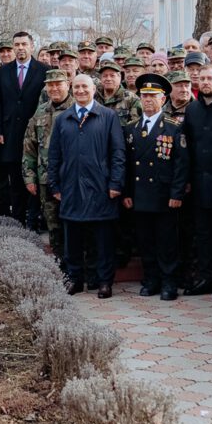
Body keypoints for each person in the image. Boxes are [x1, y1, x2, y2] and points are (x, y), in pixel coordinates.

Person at [49, 74, 125, 298]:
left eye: (85, 86)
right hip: (70, 188)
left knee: (103, 240)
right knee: (72, 240)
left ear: (94, 89)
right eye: (77, 87)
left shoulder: (108, 116)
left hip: (101, 188)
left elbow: (118, 153)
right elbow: (54, 155)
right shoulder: (62, 119)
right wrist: (55, 185)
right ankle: (75, 279)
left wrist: (115, 183)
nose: (81, 90)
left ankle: (104, 282)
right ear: (71, 89)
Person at [122, 74, 188, 299]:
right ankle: (151, 280)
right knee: (145, 241)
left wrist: (177, 193)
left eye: (153, 96)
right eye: (144, 96)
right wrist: (126, 192)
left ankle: (169, 282)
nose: (148, 100)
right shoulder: (131, 128)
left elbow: (181, 164)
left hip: (164, 195)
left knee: (167, 241)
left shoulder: (173, 128)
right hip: (140, 195)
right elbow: (127, 165)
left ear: (163, 99)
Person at [0, 32, 51, 224]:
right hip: (10, 134)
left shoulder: (44, 70)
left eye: (24, 44)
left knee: (34, 180)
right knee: (15, 179)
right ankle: (17, 220)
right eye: (17, 45)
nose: (20, 48)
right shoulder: (4, 71)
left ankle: (34, 220)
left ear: (32, 46)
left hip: (36, 134)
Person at [182, 65, 212, 297]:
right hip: (199, 182)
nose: (205, 82)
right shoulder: (192, 109)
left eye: (210, 78)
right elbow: (187, 146)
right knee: (202, 234)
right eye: (201, 79)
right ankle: (206, 278)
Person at [24, 70, 74, 260]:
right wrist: (29, 177)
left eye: (58, 84)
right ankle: (60, 261)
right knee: (53, 224)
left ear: (67, 84)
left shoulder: (77, 109)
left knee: (75, 223)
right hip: (45, 178)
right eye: (50, 85)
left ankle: (78, 264)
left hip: (72, 178)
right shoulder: (40, 111)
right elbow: (29, 146)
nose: (54, 88)